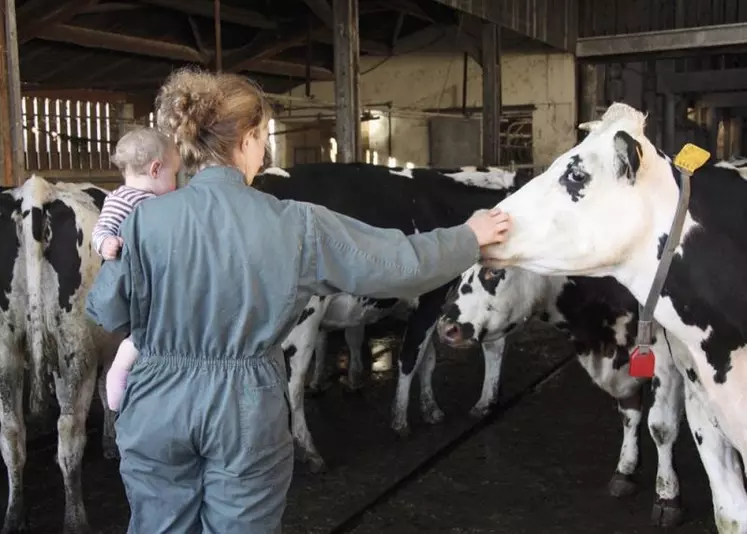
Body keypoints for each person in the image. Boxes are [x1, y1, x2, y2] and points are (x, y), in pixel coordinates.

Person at [85, 67, 511, 534]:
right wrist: (469, 237)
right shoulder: (296, 223)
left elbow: (106, 309)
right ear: (248, 139)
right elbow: (398, 265)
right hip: (242, 407)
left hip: (155, 403)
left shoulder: (144, 220)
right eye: (262, 138)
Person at [90, 127, 180, 412]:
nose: (176, 181)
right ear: (156, 169)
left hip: (162, 281)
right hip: (142, 286)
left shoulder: (164, 202)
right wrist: (106, 243)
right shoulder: (122, 200)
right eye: (174, 174)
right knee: (140, 337)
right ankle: (116, 381)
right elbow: (100, 229)